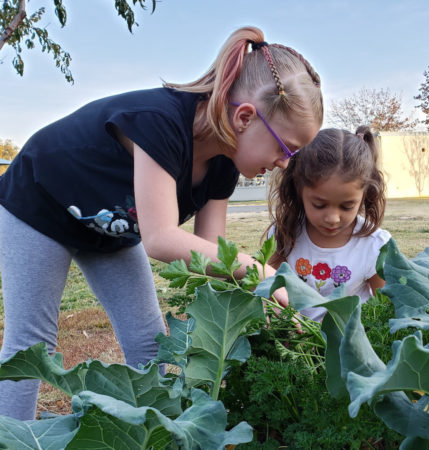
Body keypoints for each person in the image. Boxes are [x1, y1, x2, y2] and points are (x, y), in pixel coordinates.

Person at [0, 26, 323, 421]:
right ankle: (12, 437)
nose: (284, 163)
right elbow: (160, 239)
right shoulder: (162, 122)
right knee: (32, 345)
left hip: (106, 230)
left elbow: (214, 260)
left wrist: (262, 304)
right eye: (285, 147)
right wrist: (261, 273)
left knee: (150, 344)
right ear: (244, 117)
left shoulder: (224, 163)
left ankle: (158, 438)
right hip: (38, 203)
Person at [267, 126, 390, 321]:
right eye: (319, 204)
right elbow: (269, 289)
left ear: (364, 194)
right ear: (298, 189)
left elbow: (385, 310)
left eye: (347, 206)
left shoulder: (375, 245)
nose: (333, 218)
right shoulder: (284, 233)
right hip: (295, 342)